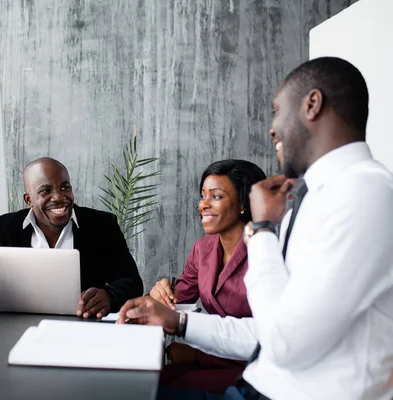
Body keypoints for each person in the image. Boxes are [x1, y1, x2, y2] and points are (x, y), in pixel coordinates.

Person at [118, 57, 393, 400]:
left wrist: (261, 230)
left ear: (312, 104)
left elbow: (284, 343)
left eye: (278, 110)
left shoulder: (363, 193)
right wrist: (177, 322)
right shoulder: (312, 199)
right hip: (254, 387)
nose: (272, 128)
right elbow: (271, 329)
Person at [0, 157, 143, 318]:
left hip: (84, 329)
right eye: (45, 191)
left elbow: (132, 282)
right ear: (28, 199)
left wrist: (109, 295)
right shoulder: (9, 227)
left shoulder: (102, 225)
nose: (58, 197)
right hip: (19, 329)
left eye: (65, 187)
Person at [149, 159, 266, 393]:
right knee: (154, 379)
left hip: (256, 364)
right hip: (215, 356)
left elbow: (267, 335)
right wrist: (158, 295)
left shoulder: (265, 250)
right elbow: (177, 301)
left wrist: (199, 357)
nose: (203, 205)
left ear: (244, 202)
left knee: (176, 387)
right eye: (203, 195)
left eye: (216, 196)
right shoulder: (202, 249)